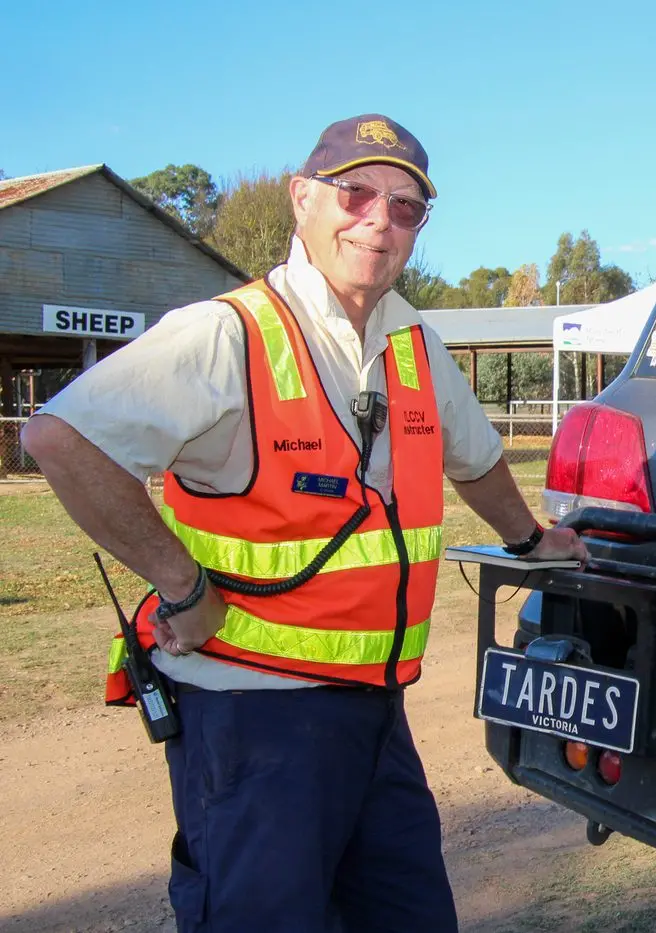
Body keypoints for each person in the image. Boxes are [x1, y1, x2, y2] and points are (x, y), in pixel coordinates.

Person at [21, 113, 588, 933]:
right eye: (356, 193)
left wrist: (532, 539)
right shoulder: (227, 333)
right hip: (254, 717)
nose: (378, 220)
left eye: (405, 207)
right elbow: (60, 438)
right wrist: (181, 584)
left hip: (374, 707)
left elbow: (475, 459)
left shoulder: (412, 344)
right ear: (301, 200)